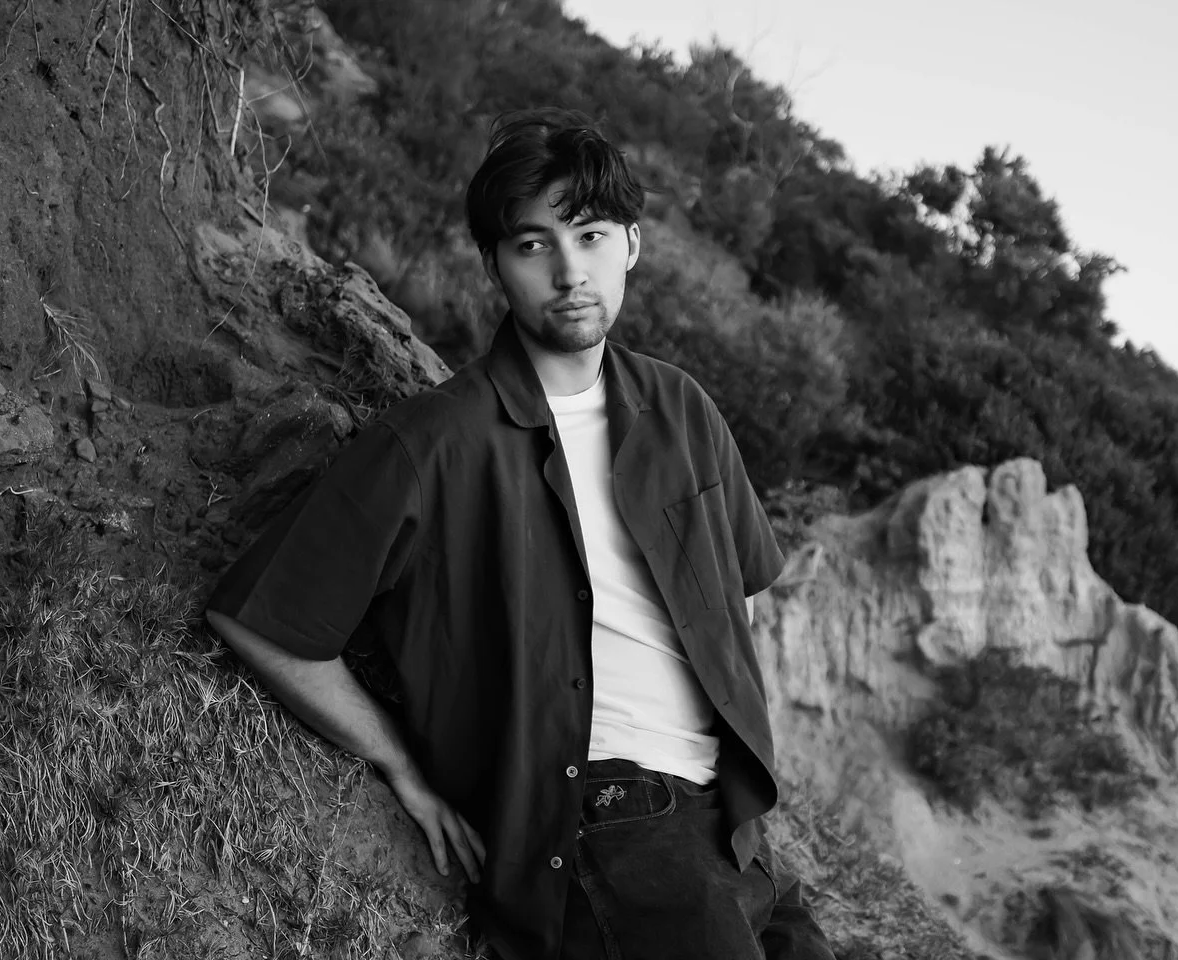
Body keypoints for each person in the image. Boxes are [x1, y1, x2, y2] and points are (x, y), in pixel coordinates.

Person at [205, 108, 833, 960]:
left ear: (633, 246)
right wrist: (398, 765)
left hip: (731, 821)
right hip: (607, 822)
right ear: (496, 264)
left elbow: (734, 595)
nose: (570, 270)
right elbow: (260, 619)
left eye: (591, 235)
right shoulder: (432, 443)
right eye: (534, 244)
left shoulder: (681, 408)